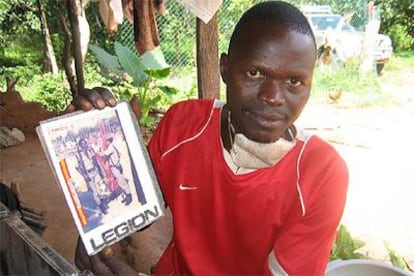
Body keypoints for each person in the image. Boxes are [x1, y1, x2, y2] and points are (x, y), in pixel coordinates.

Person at [72, 1, 348, 275]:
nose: (272, 97)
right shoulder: (183, 126)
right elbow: (132, 212)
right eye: (255, 73)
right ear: (225, 69)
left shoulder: (321, 174)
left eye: (294, 82)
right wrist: (96, 134)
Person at [75, 138, 110, 214]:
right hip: (88, 174)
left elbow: (95, 159)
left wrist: (100, 170)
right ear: (81, 145)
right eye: (83, 144)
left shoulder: (89, 151)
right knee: (95, 192)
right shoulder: (78, 155)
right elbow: (77, 168)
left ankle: (104, 203)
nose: (85, 145)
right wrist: (84, 176)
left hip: (95, 171)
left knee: (101, 187)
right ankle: (101, 207)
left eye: (86, 143)